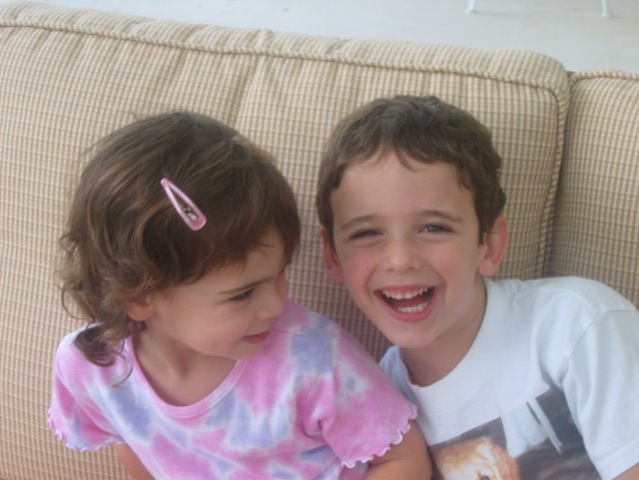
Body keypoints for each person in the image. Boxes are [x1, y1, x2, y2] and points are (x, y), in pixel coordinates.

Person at [48, 111, 431, 479]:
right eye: (242, 294)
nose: (275, 305)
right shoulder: (93, 367)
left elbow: (403, 459)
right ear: (138, 297)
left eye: (280, 274)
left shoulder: (315, 359)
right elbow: (130, 440)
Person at [317, 95, 639, 479]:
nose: (400, 259)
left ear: (490, 244)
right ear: (332, 256)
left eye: (433, 227)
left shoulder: (577, 325)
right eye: (367, 233)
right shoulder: (374, 394)